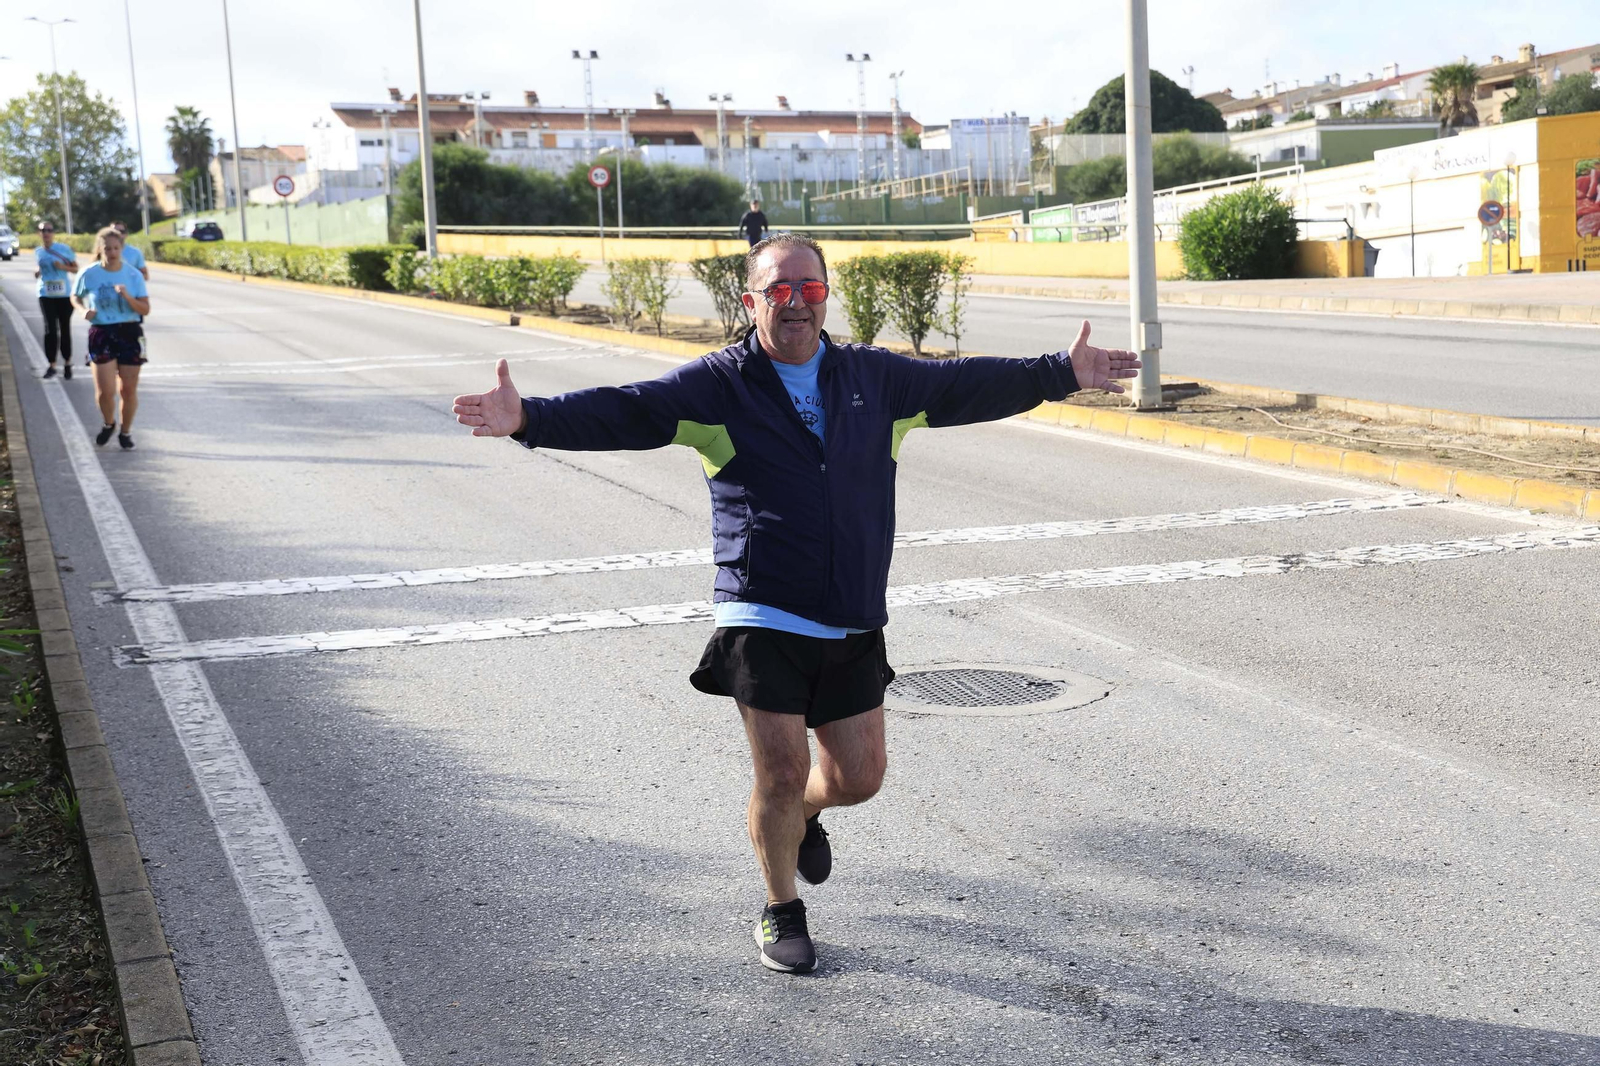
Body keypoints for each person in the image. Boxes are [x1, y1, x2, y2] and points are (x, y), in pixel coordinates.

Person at [451, 233, 1138, 975]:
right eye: (779, 289)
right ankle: (782, 910)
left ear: (825, 297)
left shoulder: (874, 380)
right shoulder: (719, 387)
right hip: (761, 610)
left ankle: (808, 813)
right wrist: (531, 419)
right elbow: (628, 411)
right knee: (777, 772)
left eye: (810, 289)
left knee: (858, 778)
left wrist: (1060, 372)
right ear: (751, 301)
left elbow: (963, 383)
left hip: (850, 614)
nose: (797, 303)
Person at [72, 226, 151, 450]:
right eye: (107, 248)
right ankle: (109, 423)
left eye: (116, 248)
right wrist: (82, 310)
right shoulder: (89, 273)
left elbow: (145, 309)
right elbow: (75, 296)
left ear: (122, 249)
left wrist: (127, 296)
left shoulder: (133, 275)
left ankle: (126, 432)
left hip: (129, 331)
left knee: (128, 389)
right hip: (101, 332)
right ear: (100, 249)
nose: (112, 252)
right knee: (105, 392)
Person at [32, 220, 79, 379]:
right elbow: (40, 265)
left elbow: (75, 269)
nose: (46, 233)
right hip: (45, 294)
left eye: (49, 230)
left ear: (53, 233)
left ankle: (67, 362)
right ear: (39, 233)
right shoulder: (38, 251)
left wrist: (63, 268)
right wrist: (37, 271)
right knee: (50, 329)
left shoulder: (63, 250)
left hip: (64, 295)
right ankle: (51, 364)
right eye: (43, 230)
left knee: (64, 328)